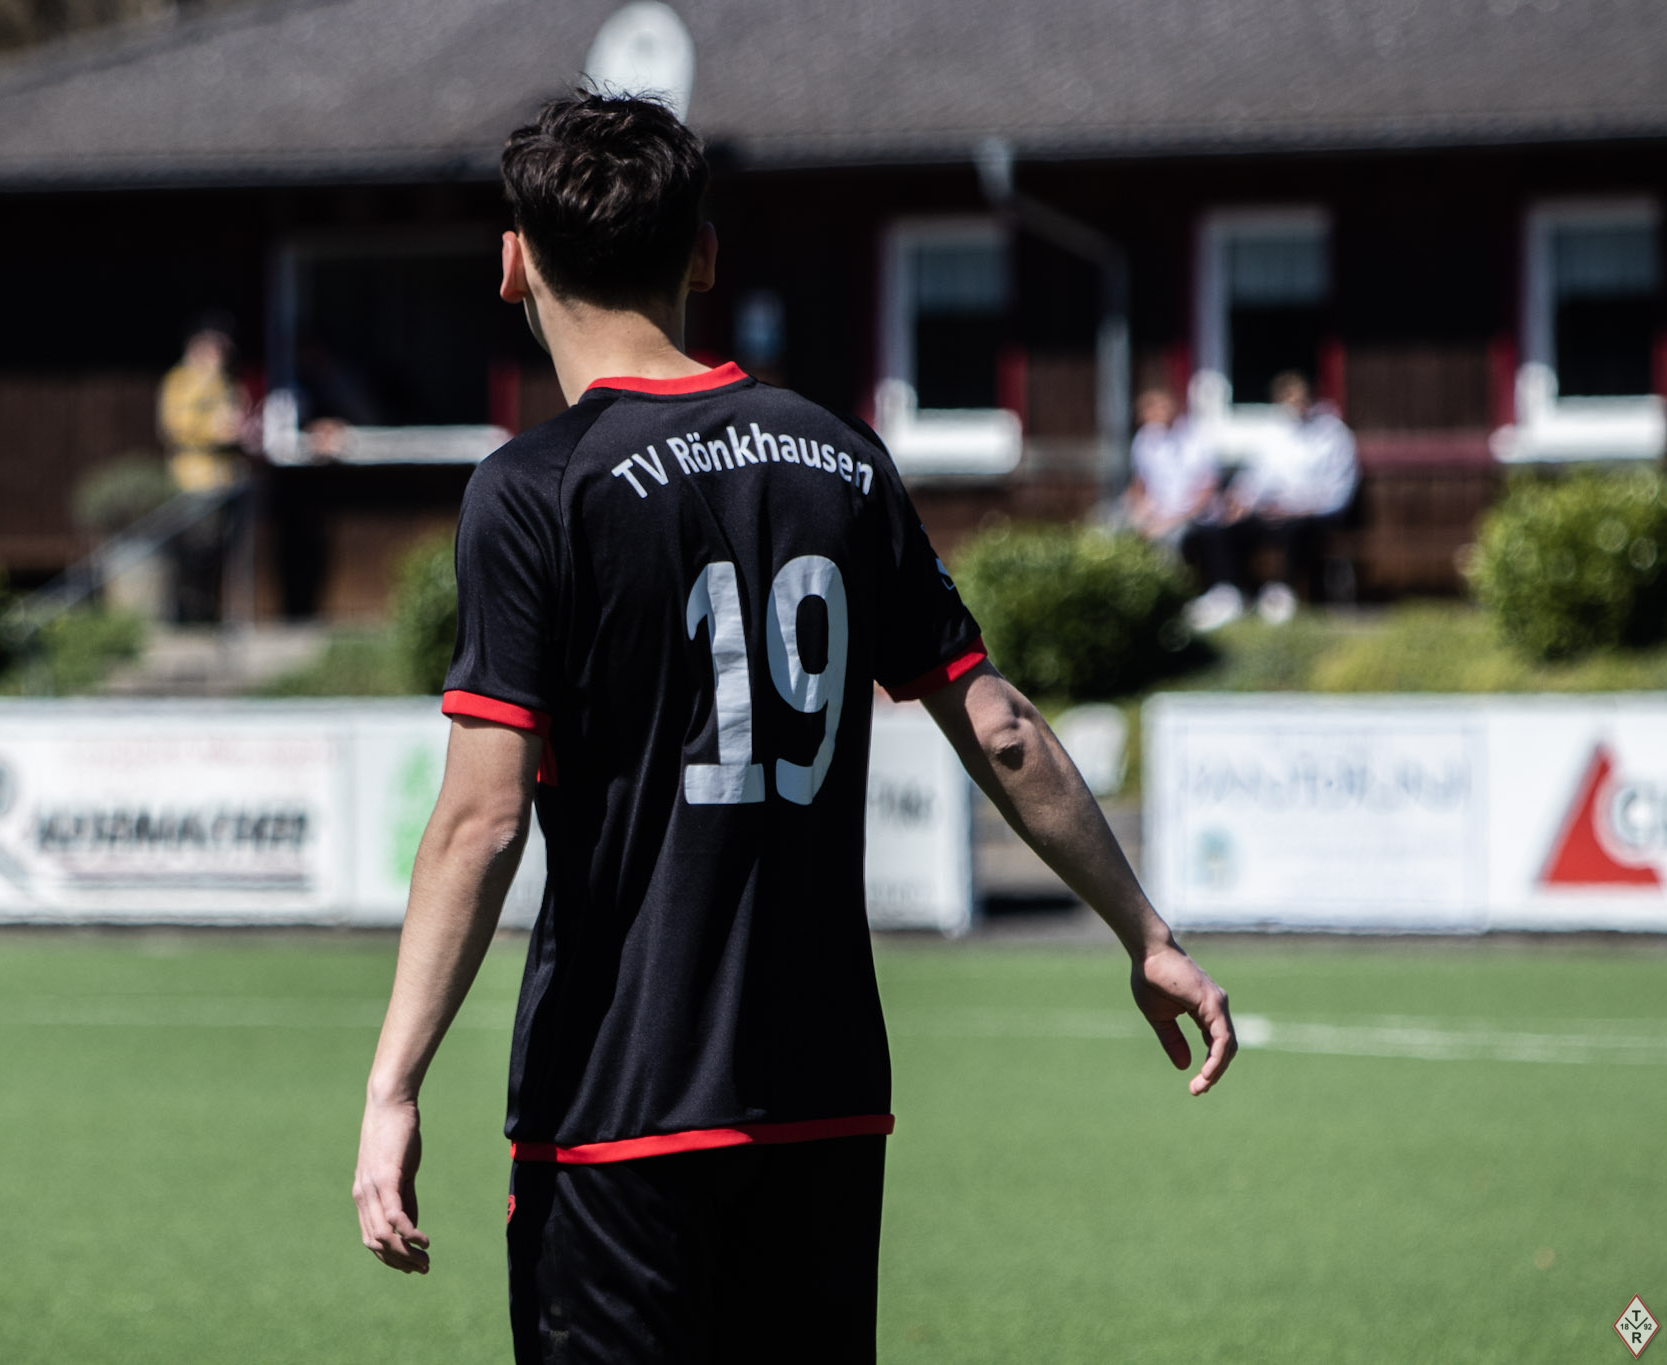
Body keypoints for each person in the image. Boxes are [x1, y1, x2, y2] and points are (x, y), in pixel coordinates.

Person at [351, 92, 1236, 1363]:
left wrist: (393, 1086)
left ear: (512, 264)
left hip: (618, 1106)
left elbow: (482, 821)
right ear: (703, 255)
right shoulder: (840, 455)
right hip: (823, 1103)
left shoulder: (536, 488)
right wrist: (1144, 933)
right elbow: (998, 728)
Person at [1188, 370, 1358, 630]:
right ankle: (1229, 592)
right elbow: (1258, 476)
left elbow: (1337, 491)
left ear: (1310, 398)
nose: (1294, 406)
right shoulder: (1275, 434)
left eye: (1298, 398)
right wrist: (1239, 501)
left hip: (1315, 514)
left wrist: (1297, 509)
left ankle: (1282, 593)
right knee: (1221, 527)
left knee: (1293, 530)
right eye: (1286, 400)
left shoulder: (1333, 435)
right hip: (1275, 511)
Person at [157, 317, 248, 621]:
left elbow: (235, 416)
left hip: (225, 478)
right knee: (194, 549)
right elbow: (175, 425)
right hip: (193, 478)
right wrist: (213, 430)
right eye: (215, 348)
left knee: (220, 551)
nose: (221, 355)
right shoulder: (180, 381)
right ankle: (187, 613)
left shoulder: (225, 381)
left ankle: (211, 612)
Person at [1125, 385, 1218, 551]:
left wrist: (1171, 520)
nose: (1155, 414)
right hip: (1158, 512)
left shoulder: (1195, 438)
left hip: (1194, 515)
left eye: (1160, 408)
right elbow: (1140, 483)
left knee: (1170, 539)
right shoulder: (1144, 439)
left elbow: (1207, 489)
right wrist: (1139, 508)